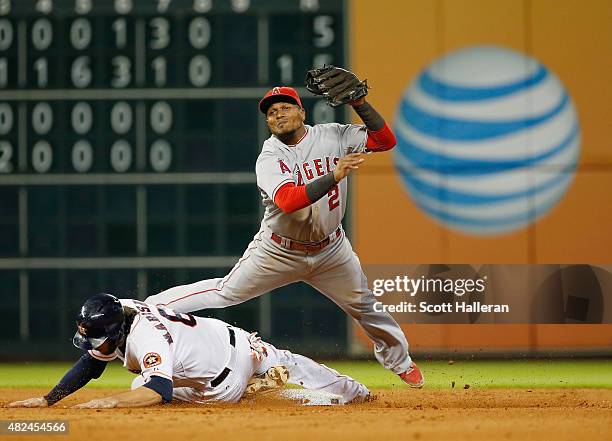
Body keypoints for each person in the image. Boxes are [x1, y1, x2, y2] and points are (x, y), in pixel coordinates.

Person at [144, 68, 424, 388]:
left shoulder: (332, 135)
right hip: (278, 250)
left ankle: (400, 361)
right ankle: (152, 307)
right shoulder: (269, 156)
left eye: (285, 107)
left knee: (366, 306)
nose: (278, 114)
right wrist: (334, 176)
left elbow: (385, 141)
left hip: (332, 250)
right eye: (271, 112)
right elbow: (290, 201)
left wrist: (360, 102)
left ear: (302, 112)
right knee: (226, 291)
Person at [7, 294, 371, 408]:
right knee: (296, 364)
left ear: (115, 331)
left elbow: (159, 390)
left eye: (97, 339)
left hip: (219, 386)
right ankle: (357, 392)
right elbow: (91, 363)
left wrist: (109, 402)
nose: (92, 347)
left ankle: (274, 395)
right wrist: (50, 399)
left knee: (140, 393)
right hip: (237, 340)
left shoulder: (145, 340)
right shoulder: (122, 308)